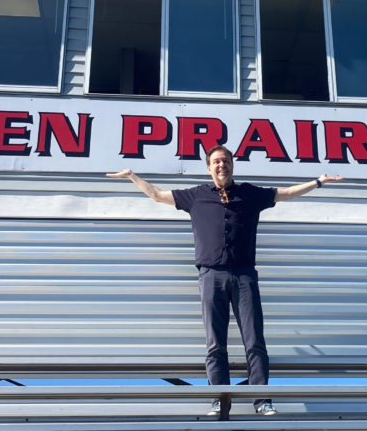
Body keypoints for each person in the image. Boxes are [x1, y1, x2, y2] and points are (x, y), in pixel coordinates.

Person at [107, 145, 343, 417]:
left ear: (232, 165)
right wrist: (132, 176)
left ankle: (262, 400)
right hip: (211, 275)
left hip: (244, 275)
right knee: (215, 344)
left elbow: (286, 193)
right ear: (209, 167)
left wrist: (318, 182)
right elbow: (159, 196)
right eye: (216, 161)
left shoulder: (250, 194)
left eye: (226, 160)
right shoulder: (195, 196)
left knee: (254, 340)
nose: (222, 165)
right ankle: (219, 400)